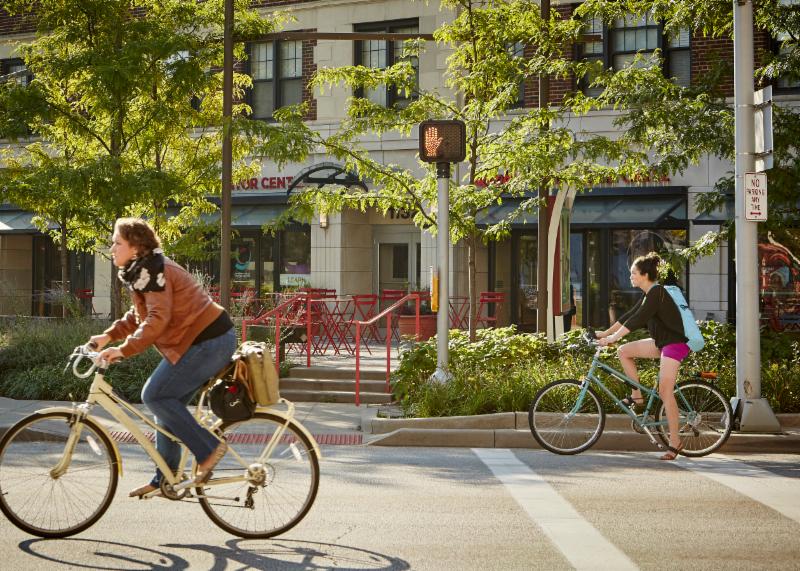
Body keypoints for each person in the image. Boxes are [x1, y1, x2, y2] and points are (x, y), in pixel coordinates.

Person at [89, 218, 236, 496]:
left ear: (135, 247)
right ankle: (167, 478)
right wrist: (108, 336)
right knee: (164, 407)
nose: (111, 248)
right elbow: (139, 316)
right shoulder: (143, 272)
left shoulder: (158, 272)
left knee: (154, 396)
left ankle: (209, 449)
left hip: (210, 341)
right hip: (195, 342)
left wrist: (123, 350)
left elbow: (157, 319)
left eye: (117, 242)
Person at [595, 252, 689, 461]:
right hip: (661, 343)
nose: (630, 277)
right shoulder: (649, 294)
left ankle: (675, 442)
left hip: (674, 345)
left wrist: (612, 339)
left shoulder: (657, 293)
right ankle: (637, 395)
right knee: (624, 351)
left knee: (666, 391)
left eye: (633, 273)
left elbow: (637, 320)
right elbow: (629, 317)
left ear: (645, 275)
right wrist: (605, 334)